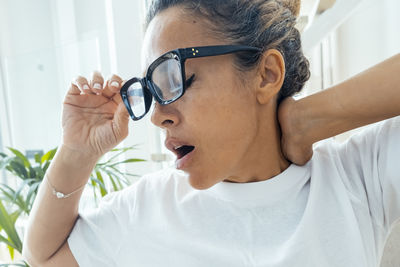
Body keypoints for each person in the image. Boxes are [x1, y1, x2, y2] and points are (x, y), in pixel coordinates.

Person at [22, 0, 400, 266]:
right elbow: (43, 257)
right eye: (152, 91)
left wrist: (310, 118)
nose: (157, 117)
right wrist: (77, 151)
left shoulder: (355, 175)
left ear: (266, 74)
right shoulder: (149, 207)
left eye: (172, 79)